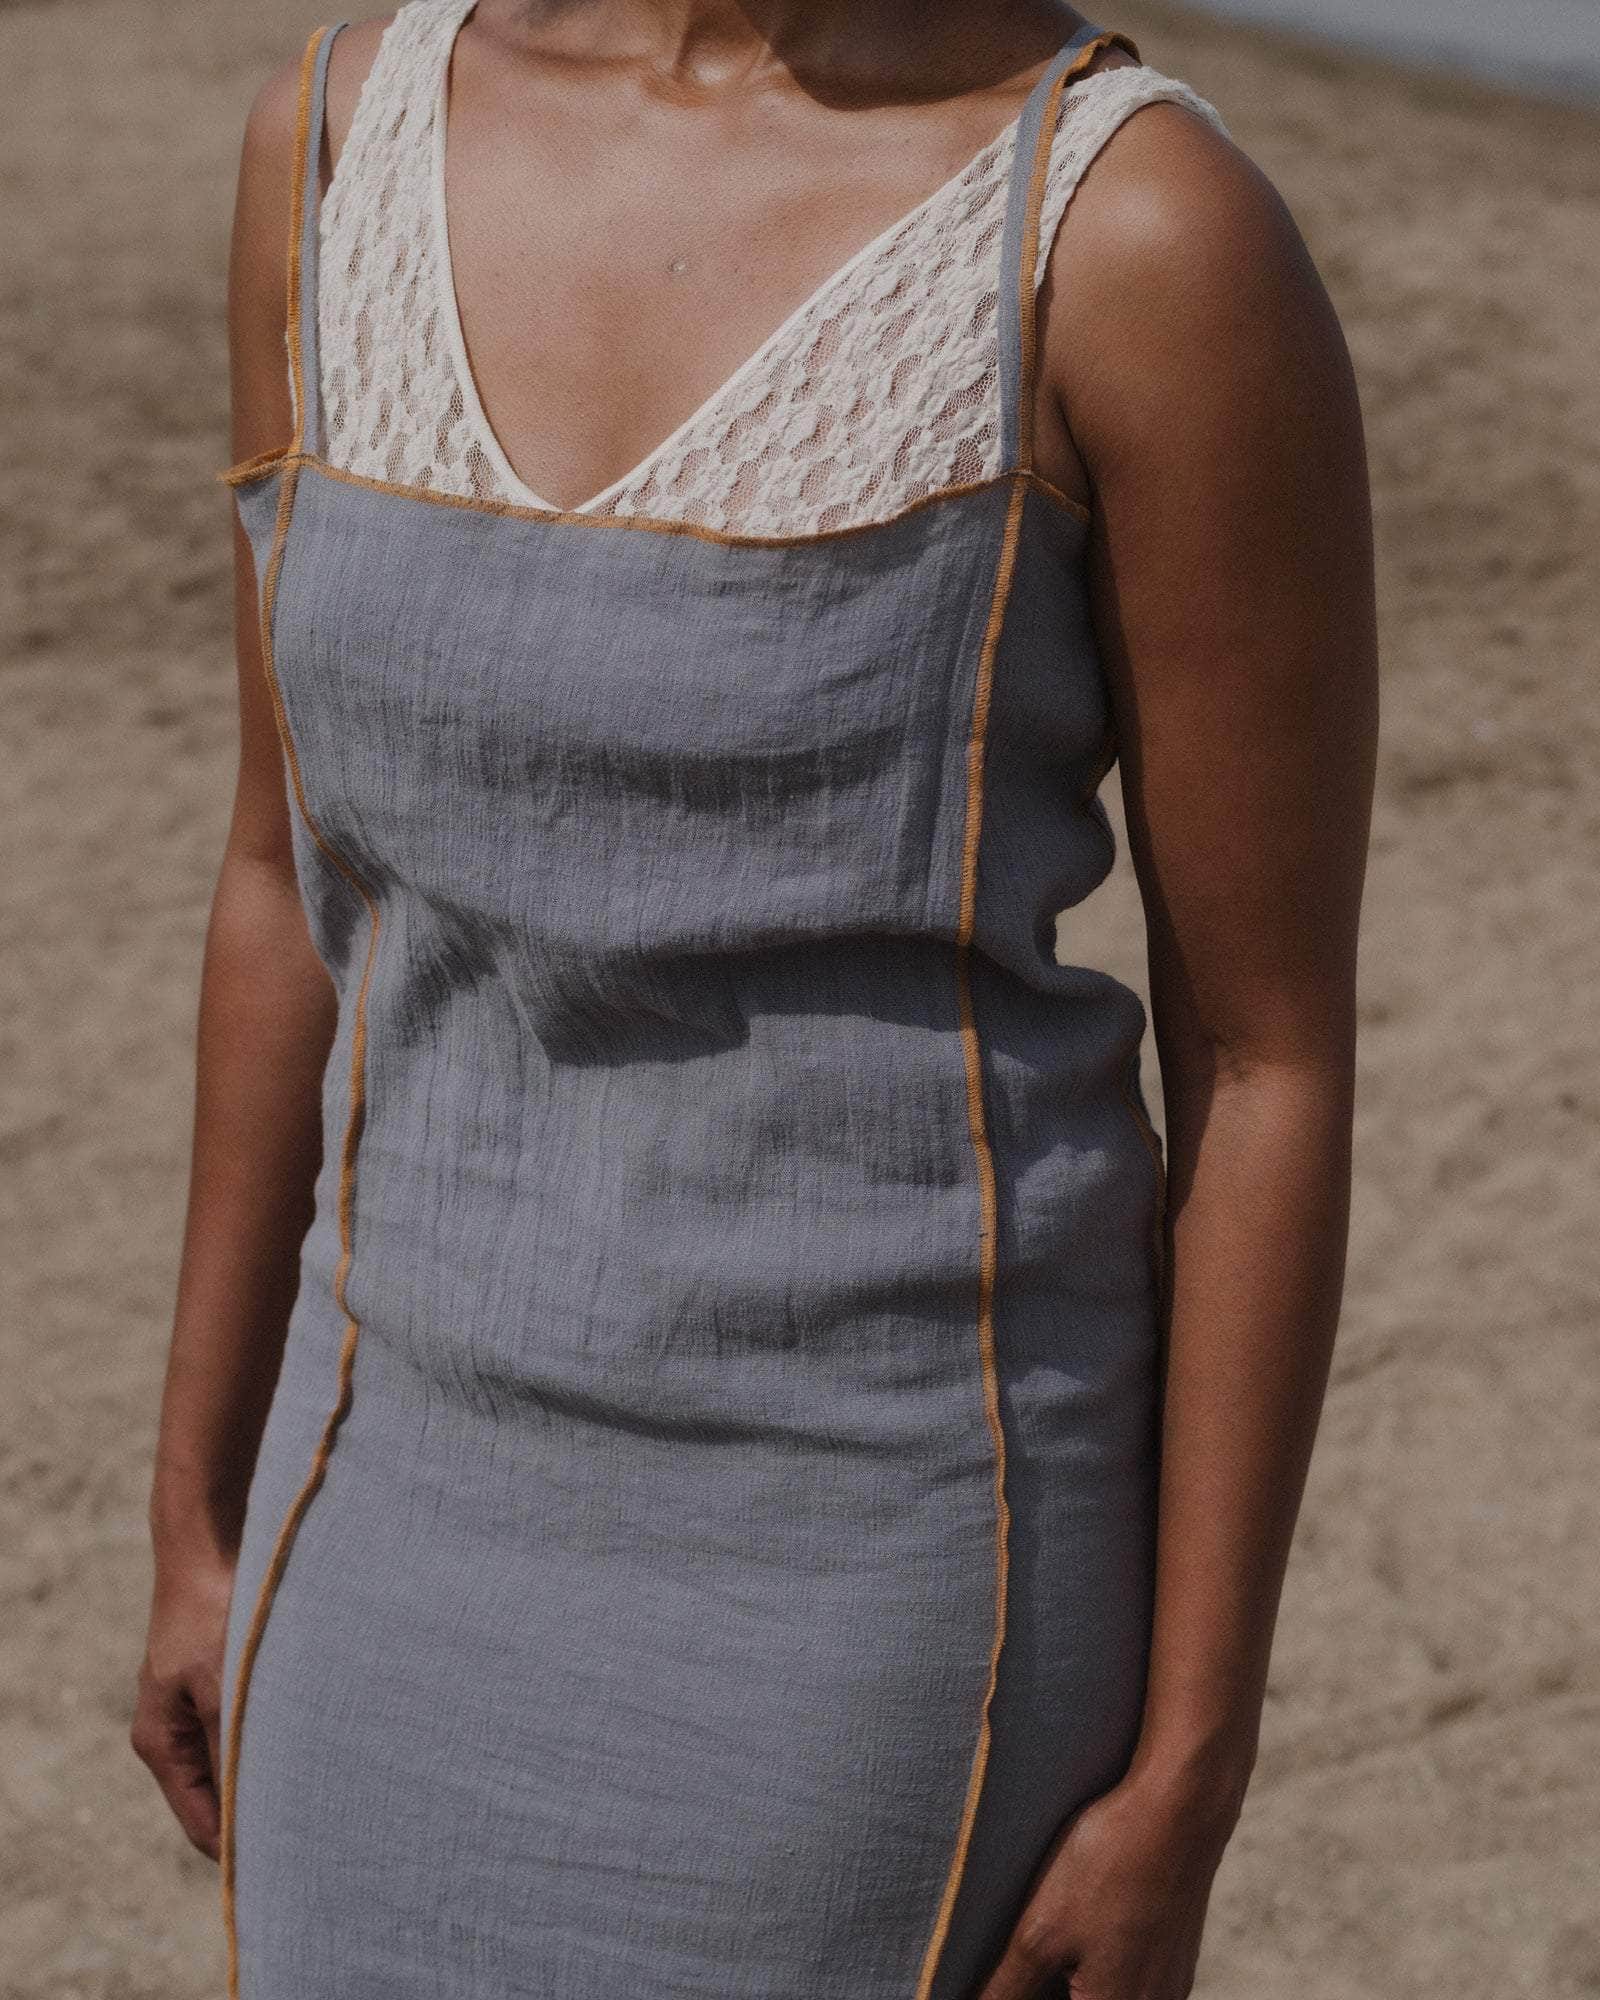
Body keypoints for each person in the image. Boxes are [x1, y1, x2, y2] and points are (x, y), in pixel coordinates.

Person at [131, 2, 1378, 1995]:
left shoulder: (1132, 234)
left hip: (872, 1592)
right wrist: (194, 1512)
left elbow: (1265, 1054)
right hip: (374, 1507)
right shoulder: (339, 136)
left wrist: (1186, 1772)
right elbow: (284, 880)